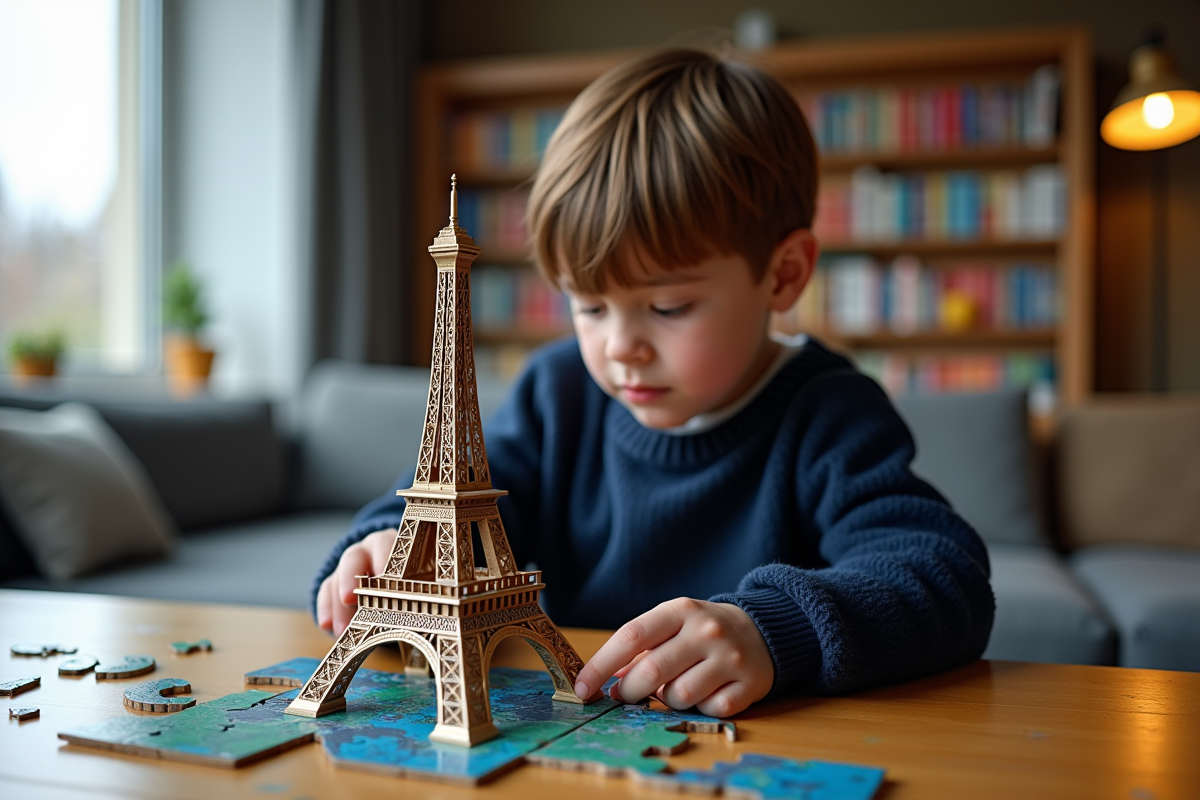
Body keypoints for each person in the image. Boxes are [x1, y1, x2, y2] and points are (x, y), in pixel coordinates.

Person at [311, 47, 995, 719]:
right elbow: (465, 503)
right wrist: (388, 546)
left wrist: (774, 629)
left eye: (668, 307)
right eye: (589, 306)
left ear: (783, 276)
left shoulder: (830, 414)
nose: (620, 347)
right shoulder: (559, 393)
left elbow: (944, 576)